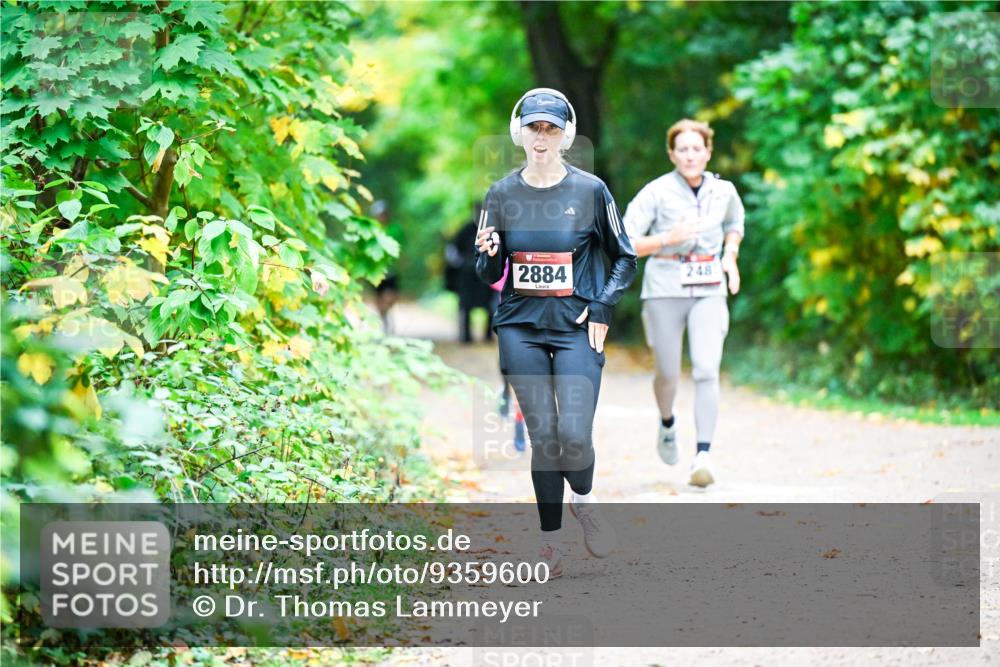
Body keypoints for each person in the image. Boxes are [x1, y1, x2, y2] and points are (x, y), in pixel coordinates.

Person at [475, 88, 637, 577]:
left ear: (565, 135)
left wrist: (603, 304)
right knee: (544, 437)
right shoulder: (500, 194)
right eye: (532, 128)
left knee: (573, 436)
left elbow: (625, 257)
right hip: (520, 327)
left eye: (550, 129)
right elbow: (489, 272)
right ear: (518, 133)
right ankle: (550, 544)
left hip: (576, 328)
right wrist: (488, 253)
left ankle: (584, 502)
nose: (540, 138)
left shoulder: (590, 191)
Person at [622, 118, 744, 489]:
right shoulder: (655, 193)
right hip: (664, 288)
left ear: (708, 152)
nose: (690, 155)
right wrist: (665, 238)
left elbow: (735, 224)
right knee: (668, 374)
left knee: (707, 369)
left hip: (709, 288)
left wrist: (730, 256)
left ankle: (703, 454)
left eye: (697, 148)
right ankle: (667, 422)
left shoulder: (724, 192)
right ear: (671, 153)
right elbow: (625, 242)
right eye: (683, 149)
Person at [444, 205, 498, 343]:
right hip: (467, 275)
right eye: (478, 211)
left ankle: (487, 335)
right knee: (466, 305)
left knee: (489, 304)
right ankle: (466, 336)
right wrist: (460, 263)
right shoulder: (465, 230)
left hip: (486, 274)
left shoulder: (492, 231)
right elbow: (452, 250)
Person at [370, 200, 399, 333]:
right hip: (375, 271)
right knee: (379, 299)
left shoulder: (395, 229)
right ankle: (384, 321)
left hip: (391, 270)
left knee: (390, 298)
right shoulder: (370, 230)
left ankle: (387, 317)